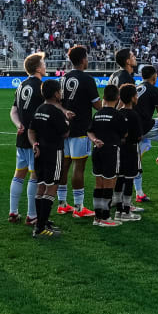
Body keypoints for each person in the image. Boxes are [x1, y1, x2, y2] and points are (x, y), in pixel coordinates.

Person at [58, 45, 99, 218]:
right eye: (87, 57)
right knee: (79, 166)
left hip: (64, 127)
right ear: (83, 59)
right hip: (81, 127)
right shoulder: (87, 79)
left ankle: (62, 204)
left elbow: (57, 101)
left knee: (65, 165)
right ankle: (79, 206)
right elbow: (97, 105)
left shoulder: (63, 78)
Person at [28, 78, 70, 238]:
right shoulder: (55, 111)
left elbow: (31, 131)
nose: (61, 93)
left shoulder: (40, 109)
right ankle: (40, 228)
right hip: (54, 151)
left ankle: (42, 221)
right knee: (52, 187)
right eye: (60, 91)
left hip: (40, 152)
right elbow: (65, 132)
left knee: (41, 186)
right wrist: (67, 120)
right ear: (55, 93)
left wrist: (34, 145)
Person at [8, 52, 45, 225]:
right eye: (43, 63)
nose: (45, 66)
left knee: (19, 174)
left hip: (22, 136)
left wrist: (18, 125)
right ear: (38, 68)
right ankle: (32, 215)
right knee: (34, 176)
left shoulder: (21, 85)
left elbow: (13, 111)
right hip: (35, 137)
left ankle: (13, 212)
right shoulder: (41, 86)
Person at [86, 84, 123, 228]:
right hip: (111, 150)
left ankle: (97, 217)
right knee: (109, 183)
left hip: (97, 150)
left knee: (98, 183)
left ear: (103, 97)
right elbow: (124, 134)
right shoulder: (117, 115)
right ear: (118, 98)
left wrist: (95, 140)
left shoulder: (98, 114)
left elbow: (89, 131)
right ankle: (106, 217)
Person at [132, 65, 158, 204]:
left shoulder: (136, 87)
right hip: (145, 127)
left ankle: (139, 193)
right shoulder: (154, 90)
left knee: (138, 158)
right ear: (154, 76)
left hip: (134, 129)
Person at [112, 84, 144, 222]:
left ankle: (118, 211)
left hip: (119, 150)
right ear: (132, 98)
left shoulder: (118, 114)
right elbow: (138, 136)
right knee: (129, 180)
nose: (137, 97)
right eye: (136, 95)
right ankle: (126, 211)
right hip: (131, 150)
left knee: (119, 179)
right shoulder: (134, 115)